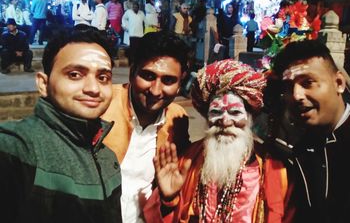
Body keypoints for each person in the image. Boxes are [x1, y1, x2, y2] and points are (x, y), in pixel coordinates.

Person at [144, 59, 291, 222]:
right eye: (216, 112)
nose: (225, 121)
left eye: (235, 112)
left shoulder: (272, 168)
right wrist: (168, 200)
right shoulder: (188, 162)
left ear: (250, 118)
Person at [0, 28, 122, 222]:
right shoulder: (17, 149)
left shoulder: (107, 157)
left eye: (103, 77)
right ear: (43, 84)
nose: (93, 89)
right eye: (74, 74)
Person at [102, 31, 191, 222]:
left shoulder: (178, 119)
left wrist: (168, 198)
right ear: (132, 71)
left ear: (180, 81)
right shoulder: (103, 104)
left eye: (168, 80)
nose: (156, 90)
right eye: (148, 76)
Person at [268, 40, 349, 223]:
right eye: (289, 87)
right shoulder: (299, 145)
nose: (296, 96)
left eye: (308, 82)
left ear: (338, 83)